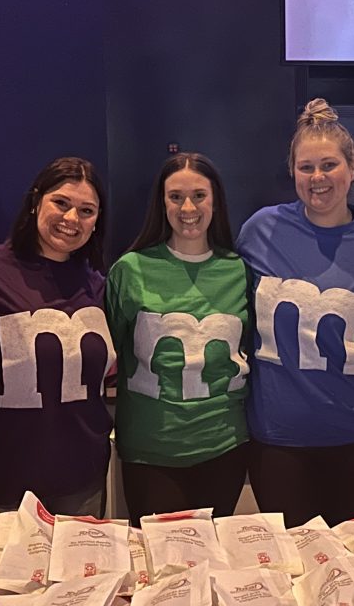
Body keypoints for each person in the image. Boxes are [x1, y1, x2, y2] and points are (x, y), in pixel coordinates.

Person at [237, 99, 354, 526]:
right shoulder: (260, 231)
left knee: (351, 573)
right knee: (293, 570)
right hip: (277, 442)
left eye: (329, 165)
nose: (317, 178)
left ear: (352, 168)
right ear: (292, 171)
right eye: (306, 167)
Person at [0, 157, 115, 515]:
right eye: (61, 203)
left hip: (82, 477)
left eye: (86, 210)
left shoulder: (95, 283)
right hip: (2, 482)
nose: (71, 219)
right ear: (36, 203)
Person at [105, 153, 250, 525]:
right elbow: (110, 353)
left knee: (214, 563)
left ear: (215, 200)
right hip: (150, 450)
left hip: (224, 445)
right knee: (162, 571)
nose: (188, 207)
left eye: (199, 195)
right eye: (175, 196)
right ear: (161, 202)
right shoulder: (130, 270)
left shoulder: (239, 270)